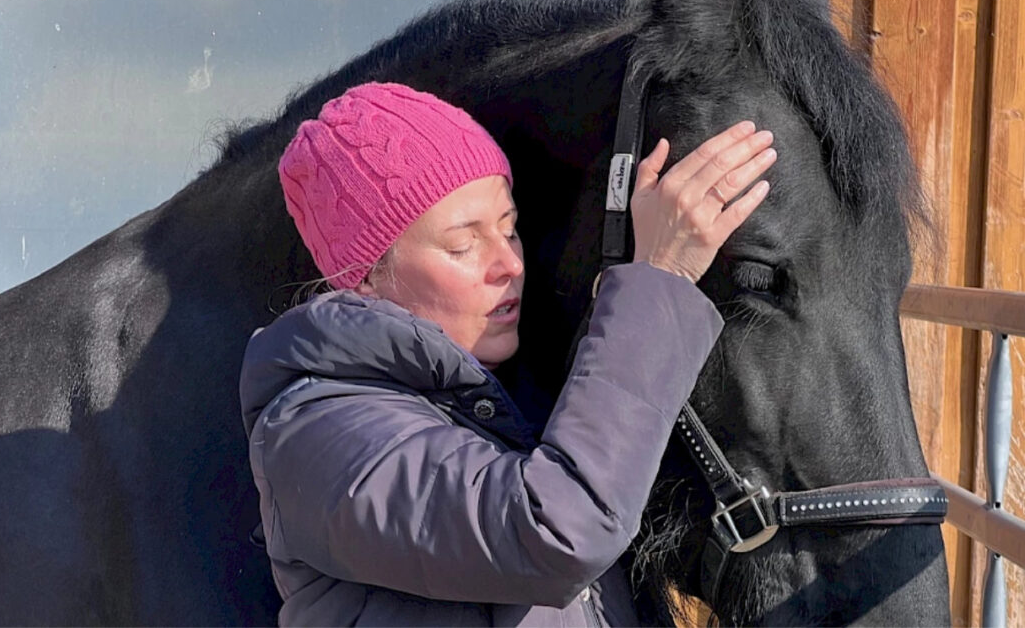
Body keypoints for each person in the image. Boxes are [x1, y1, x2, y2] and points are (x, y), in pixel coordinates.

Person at [239, 81, 775, 626]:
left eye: (509, 230)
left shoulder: (507, 405)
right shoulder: (317, 433)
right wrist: (661, 276)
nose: (511, 264)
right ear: (368, 279)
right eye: (463, 244)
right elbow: (556, 531)